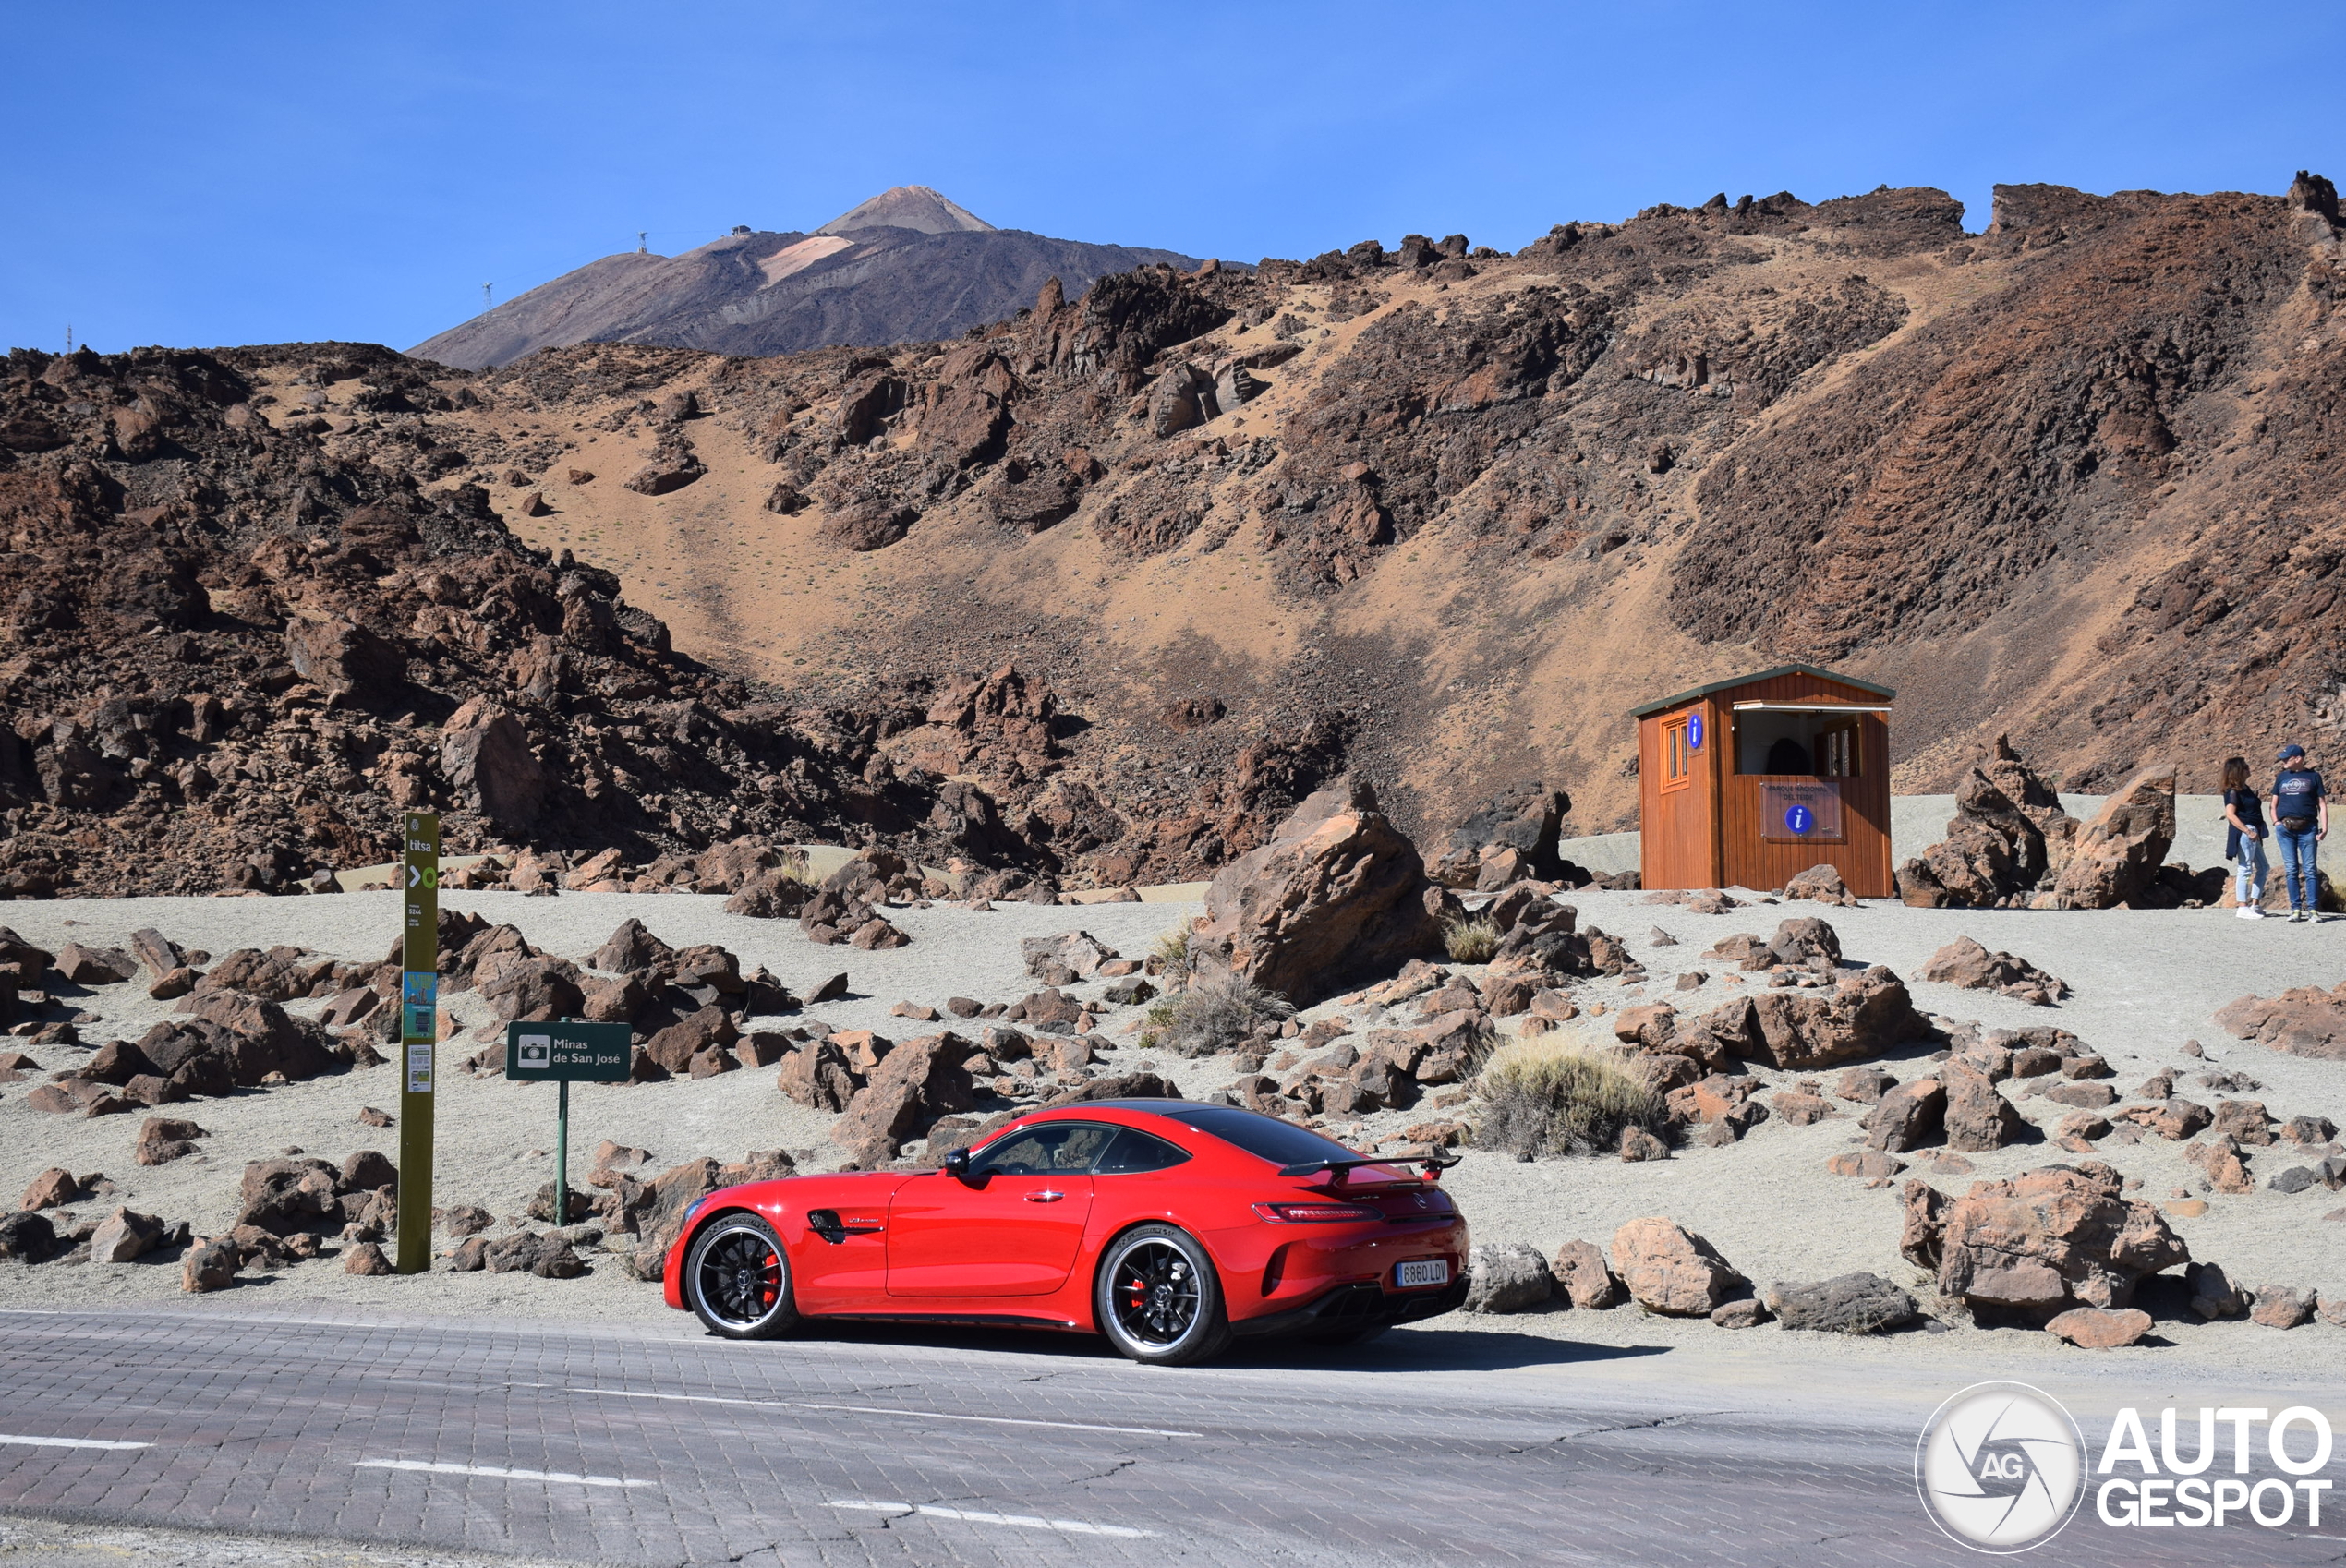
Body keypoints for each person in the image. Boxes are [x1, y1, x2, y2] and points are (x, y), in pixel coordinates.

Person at [2270, 743, 2328, 923]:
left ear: (2298, 758)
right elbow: (2273, 803)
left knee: (2310, 870)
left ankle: (2312, 910)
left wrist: (2325, 827)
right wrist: (2276, 822)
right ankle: (2295, 909)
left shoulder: (2313, 777)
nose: (2284, 761)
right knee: (2291, 869)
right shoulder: (2281, 777)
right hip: (2285, 829)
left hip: (2308, 828)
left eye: (2287, 758)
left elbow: (2322, 804)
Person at [2220, 756, 2267, 919]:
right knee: (2245, 867)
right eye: (2245, 767)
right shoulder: (2232, 792)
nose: (2249, 768)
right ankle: (2242, 906)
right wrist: (2247, 831)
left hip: (2254, 832)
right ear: (2238, 771)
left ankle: (2255, 904)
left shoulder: (2245, 789)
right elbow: (2230, 815)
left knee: (2263, 867)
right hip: (2246, 831)